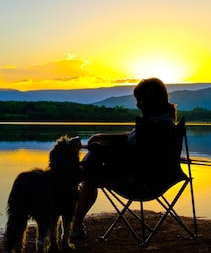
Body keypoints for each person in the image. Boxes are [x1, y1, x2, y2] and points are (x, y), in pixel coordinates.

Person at [71, 77, 178, 238]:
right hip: (152, 175)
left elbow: (136, 155)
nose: (138, 104)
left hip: (141, 180)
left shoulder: (157, 127)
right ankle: (76, 182)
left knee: (91, 173)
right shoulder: (160, 120)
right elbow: (131, 139)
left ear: (154, 100)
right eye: (137, 100)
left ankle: (74, 220)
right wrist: (102, 136)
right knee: (95, 156)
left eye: (141, 100)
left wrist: (104, 149)